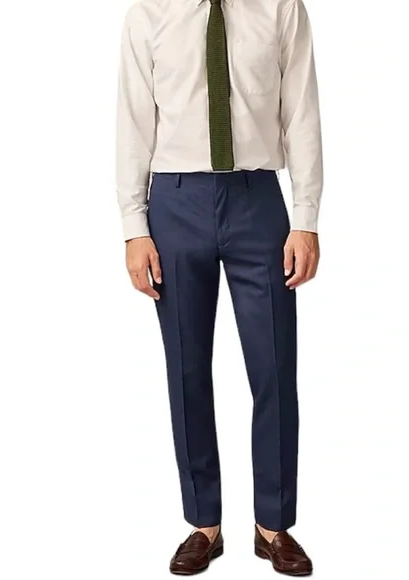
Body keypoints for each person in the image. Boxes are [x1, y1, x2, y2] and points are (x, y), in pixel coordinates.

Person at [116, 0, 322, 575]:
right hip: (174, 202)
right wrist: (134, 227)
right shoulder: (150, 12)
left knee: (274, 367)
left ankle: (273, 524)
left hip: (258, 200)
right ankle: (203, 523)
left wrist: (305, 218)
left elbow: (301, 111)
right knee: (186, 370)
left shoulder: (280, 7)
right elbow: (133, 119)